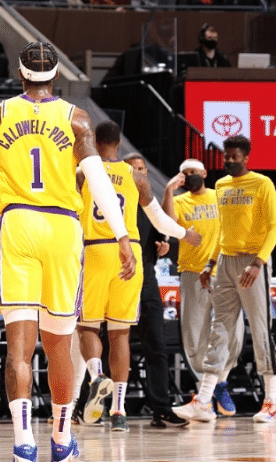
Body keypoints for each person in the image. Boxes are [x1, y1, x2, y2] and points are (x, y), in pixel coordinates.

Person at [0, 42, 135, 462]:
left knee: (18, 347)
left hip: (19, 224)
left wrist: (7, 203)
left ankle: (23, 442)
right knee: (59, 344)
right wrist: (120, 235)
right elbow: (97, 180)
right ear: (57, 75)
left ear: (19, 74)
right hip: (63, 228)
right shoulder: (76, 118)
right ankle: (61, 440)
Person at [77, 121, 200, 433]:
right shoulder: (136, 177)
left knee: (87, 326)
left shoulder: (82, 173)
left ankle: (97, 375)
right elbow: (159, 220)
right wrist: (185, 234)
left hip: (95, 249)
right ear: (119, 143)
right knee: (120, 334)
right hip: (129, 253)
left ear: (94, 142)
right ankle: (119, 411)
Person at [173, 135, 276, 424]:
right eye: (226, 156)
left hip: (252, 261)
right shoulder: (220, 185)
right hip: (225, 262)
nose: (228, 160)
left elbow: (273, 227)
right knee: (219, 330)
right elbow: (222, 230)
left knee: (260, 330)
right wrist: (211, 262)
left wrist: (258, 263)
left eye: (234, 156)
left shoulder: (262, 184)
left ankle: (271, 401)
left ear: (246, 158)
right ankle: (204, 401)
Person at [161, 158, 242, 416]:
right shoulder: (180, 201)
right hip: (192, 272)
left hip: (224, 270)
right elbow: (168, 223)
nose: (191, 176)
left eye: (194, 172)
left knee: (234, 330)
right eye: (186, 174)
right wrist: (168, 191)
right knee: (195, 334)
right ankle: (205, 394)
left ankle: (220, 383)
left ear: (205, 173)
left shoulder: (220, 196)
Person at [123, 153, 190, 429]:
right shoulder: (116, 201)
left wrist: (162, 245)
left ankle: (161, 409)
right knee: (108, 344)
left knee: (157, 345)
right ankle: (94, 407)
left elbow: (166, 227)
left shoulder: (149, 205)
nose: (139, 174)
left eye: (142, 169)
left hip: (147, 278)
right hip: (119, 277)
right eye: (133, 169)